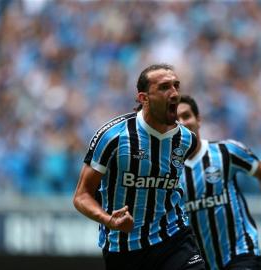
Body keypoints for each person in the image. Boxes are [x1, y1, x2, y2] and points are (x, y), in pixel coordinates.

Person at [73, 64, 205, 270]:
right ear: (144, 98)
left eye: (176, 86)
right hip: (124, 248)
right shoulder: (113, 137)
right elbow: (81, 196)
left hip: (173, 239)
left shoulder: (186, 140)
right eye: (164, 87)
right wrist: (109, 220)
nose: (174, 93)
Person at [177, 95, 261, 270]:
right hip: (199, 262)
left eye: (186, 116)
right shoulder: (167, 170)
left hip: (240, 252)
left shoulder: (225, 152)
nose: (182, 122)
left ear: (198, 120)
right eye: (176, 119)